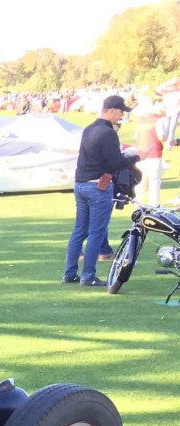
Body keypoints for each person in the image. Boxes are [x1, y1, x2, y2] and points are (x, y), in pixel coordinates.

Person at [63, 95, 139, 287]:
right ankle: (88, 276)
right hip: (98, 187)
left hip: (81, 184)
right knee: (97, 232)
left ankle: (70, 273)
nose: (121, 116)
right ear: (112, 110)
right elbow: (116, 162)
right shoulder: (108, 133)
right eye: (121, 112)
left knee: (79, 231)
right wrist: (136, 158)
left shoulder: (89, 129)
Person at [134, 100, 165, 206]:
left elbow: (136, 136)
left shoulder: (142, 120)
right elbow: (162, 136)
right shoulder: (159, 120)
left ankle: (139, 202)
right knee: (154, 180)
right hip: (154, 153)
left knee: (142, 180)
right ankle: (154, 204)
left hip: (141, 152)